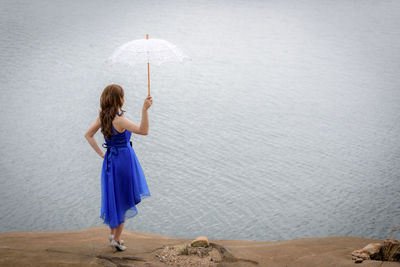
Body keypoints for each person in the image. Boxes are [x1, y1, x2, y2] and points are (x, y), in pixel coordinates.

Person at [84, 84, 152, 251]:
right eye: (123, 95)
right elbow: (143, 131)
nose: (124, 98)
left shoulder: (103, 116)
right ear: (118, 99)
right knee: (123, 199)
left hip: (110, 161)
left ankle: (113, 232)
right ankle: (116, 239)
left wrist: (101, 154)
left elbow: (88, 135)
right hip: (123, 162)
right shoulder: (120, 120)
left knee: (113, 196)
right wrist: (145, 110)